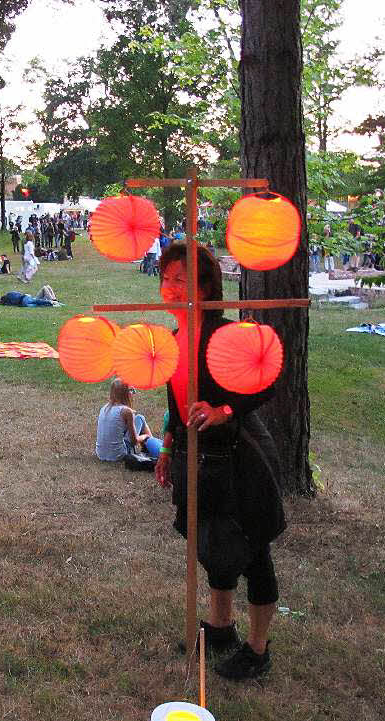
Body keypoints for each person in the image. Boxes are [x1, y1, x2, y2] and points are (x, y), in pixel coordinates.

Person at [154, 242, 285, 681]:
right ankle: (221, 626)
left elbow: (269, 381)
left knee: (250, 545)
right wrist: (170, 444)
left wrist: (224, 410)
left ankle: (258, 647)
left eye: (182, 280)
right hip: (197, 456)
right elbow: (177, 397)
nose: (171, 288)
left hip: (238, 452)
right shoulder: (174, 340)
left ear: (206, 286)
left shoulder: (226, 335)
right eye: (167, 279)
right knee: (211, 540)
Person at [96, 378, 162, 462]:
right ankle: (152, 445)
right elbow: (134, 441)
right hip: (119, 455)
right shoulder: (127, 411)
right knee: (140, 418)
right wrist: (145, 436)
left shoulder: (104, 408)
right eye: (131, 390)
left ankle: (149, 446)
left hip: (101, 454)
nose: (133, 393)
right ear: (124, 394)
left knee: (137, 419)